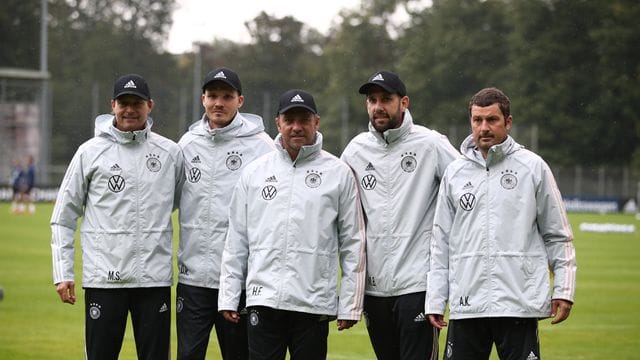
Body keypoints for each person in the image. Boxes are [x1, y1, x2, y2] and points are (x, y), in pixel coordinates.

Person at [426, 87, 577, 360]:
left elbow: (558, 235)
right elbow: (440, 242)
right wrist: (436, 299)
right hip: (467, 304)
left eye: (492, 120)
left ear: (508, 122)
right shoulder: (454, 173)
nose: (484, 127)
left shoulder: (533, 167)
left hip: (518, 303)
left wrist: (564, 290)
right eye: (477, 120)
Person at [218, 89, 366, 360]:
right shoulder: (255, 172)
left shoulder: (338, 173)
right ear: (278, 123)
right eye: (290, 120)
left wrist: (351, 305)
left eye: (304, 120)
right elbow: (237, 239)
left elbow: (353, 241)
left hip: (312, 302)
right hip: (264, 299)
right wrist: (229, 296)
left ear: (316, 122)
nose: (297, 127)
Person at [50, 74, 184, 360]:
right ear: (112, 105)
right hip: (104, 280)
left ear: (150, 105)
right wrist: (63, 273)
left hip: (153, 280)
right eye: (123, 102)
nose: (130, 109)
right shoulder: (89, 152)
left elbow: (174, 203)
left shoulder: (170, 153)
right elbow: (63, 216)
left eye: (137, 103)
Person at [341, 70, 459, 360]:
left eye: (386, 99)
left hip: (418, 283)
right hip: (374, 287)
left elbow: (467, 185)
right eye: (372, 100)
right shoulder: (355, 150)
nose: (378, 106)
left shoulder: (430, 143)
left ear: (403, 102)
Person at [176, 67, 275, 360]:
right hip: (193, 280)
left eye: (227, 96)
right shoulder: (187, 144)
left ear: (240, 101)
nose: (219, 103)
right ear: (203, 99)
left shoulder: (262, 147)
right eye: (213, 96)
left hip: (240, 281)